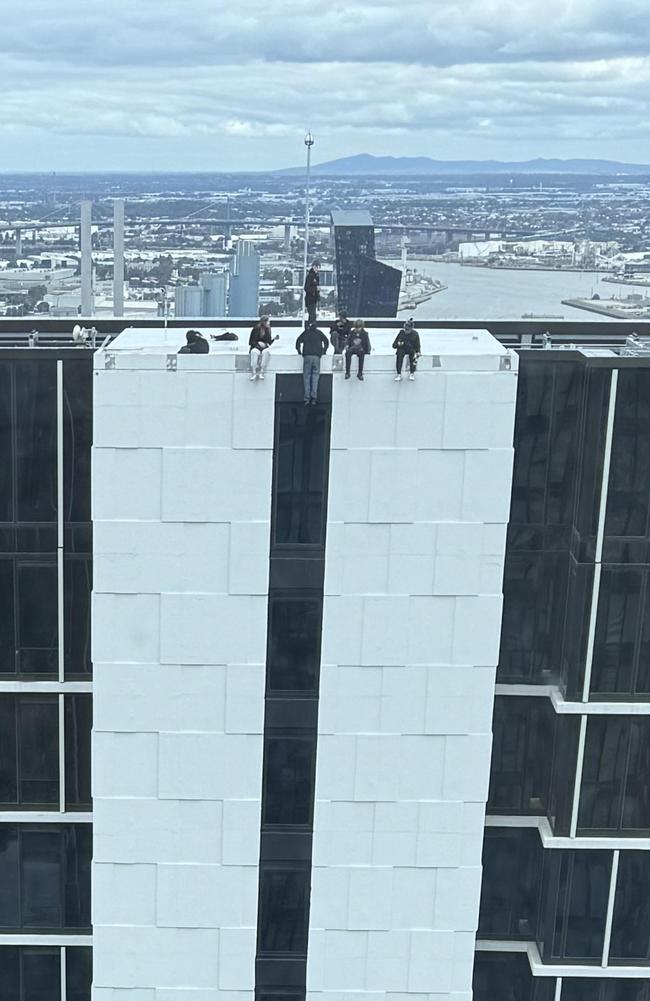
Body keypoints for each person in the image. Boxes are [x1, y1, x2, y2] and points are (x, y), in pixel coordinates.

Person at [295, 321, 329, 405]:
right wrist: (324, 351)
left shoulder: (306, 332)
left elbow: (298, 342)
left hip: (307, 356)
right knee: (315, 377)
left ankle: (307, 398)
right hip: (317, 356)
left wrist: (299, 351)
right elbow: (326, 342)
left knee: (307, 377)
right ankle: (314, 397)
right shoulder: (319, 333)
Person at [248, 315, 278, 380]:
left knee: (266, 352)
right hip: (256, 346)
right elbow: (250, 342)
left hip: (264, 347)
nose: (269, 323)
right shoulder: (256, 329)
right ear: (264, 322)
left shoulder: (268, 330)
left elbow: (269, 342)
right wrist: (258, 343)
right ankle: (254, 371)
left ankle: (262, 371)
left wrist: (274, 339)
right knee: (254, 352)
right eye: (268, 322)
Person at [304, 260, 320, 324]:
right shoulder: (310, 276)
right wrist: (314, 289)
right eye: (317, 267)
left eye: (319, 267)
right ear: (313, 267)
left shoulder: (316, 276)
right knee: (312, 315)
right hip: (310, 298)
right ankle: (310, 328)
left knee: (312, 315)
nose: (318, 269)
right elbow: (306, 287)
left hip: (314, 298)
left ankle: (311, 327)